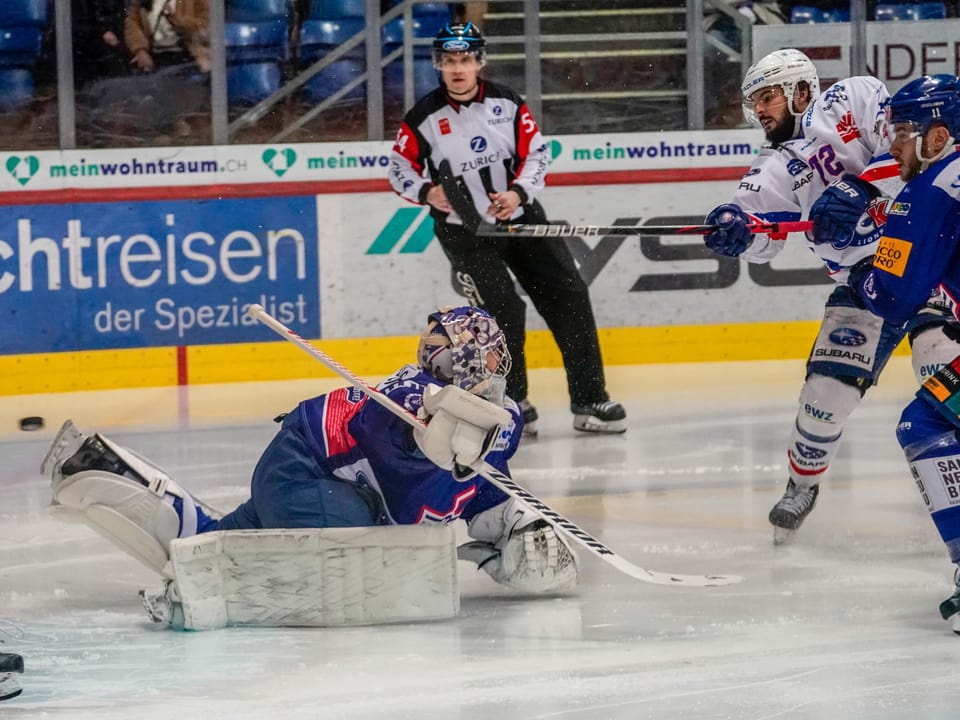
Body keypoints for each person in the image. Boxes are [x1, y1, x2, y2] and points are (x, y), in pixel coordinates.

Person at [42, 305, 579, 597]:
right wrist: (424, 441)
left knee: (206, 547)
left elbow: (477, 483)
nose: (430, 351)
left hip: (316, 478)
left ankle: (97, 468)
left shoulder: (501, 420)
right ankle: (239, 589)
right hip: (302, 470)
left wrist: (514, 528)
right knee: (361, 550)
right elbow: (379, 434)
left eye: (441, 343)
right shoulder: (409, 402)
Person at [702, 49, 952, 542]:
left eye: (769, 97)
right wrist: (735, 232)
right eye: (755, 103)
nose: (762, 111)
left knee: (940, 362)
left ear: (800, 90)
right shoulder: (770, 165)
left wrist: (862, 187)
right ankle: (802, 483)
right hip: (861, 278)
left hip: (919, 246)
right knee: (824, 394)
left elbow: (909, 149)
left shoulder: (852, 97)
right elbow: (762, 237)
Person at [387, 23, 626, 437]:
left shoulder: (507, 102)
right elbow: (397, 169)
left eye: (465, 60)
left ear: (479, 61)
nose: (458, 69)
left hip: (521, 221)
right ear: (438, 65)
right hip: (465, 233)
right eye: (449, 61)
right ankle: (513, 402)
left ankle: (589, 398)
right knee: (502, 313)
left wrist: (518, 193)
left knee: (568, 293)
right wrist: (428, 191)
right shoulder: (423, 118)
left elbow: (536, 154)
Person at [814, 74, 960, 630]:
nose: (892, 143)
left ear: (939, 135)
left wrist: (862, 265)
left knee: (924, 425)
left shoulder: (932, 187)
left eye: (904, 131)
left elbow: (894, 302)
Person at [124, 0, 210, 74]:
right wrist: (140, 50)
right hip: (154, 57)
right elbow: (132, 23)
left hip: (187, 56)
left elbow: (205, 23)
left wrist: (179, 22)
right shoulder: (140, 2)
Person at [72, 0, 129, 88]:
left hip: (116, 39)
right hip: (88, 47)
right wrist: (102, 31)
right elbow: (78, 22)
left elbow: (124, 15)